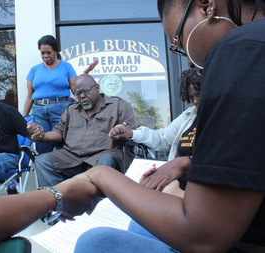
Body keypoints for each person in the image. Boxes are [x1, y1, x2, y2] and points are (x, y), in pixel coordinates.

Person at [58, 1, 265, 252]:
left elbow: (204, 236)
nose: (188, 60)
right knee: (138, 226)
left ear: (206, 5)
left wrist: (100, 177)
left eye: (177, 41)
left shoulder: (239, 50)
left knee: (94, 243)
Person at [29, 74, 135, 187]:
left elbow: (131, 132)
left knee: (105, 163)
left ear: (97, 88)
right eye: (78, 94)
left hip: (102, 156)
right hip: (72, 158)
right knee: (42, 161)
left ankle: (97, 203)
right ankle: (59, 202)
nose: (82, 96)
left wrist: (121, 131)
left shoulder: (118, 106)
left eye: (86, 91)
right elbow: (59, 132)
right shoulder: (71, 110)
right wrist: (42, 136)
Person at [110, 68, 201, 194]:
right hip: (179, 186)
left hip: (201, 193)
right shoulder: (189, 116)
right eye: (191, 97)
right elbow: (163, 137)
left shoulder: (222, 119)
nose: (195, 101)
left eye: (199, 94)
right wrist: (131, 133)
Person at [23, 35, 97, 154]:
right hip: (39, 111)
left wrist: (85, 74)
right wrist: (24, 118)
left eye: (49, 52)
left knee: (62, 143)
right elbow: (29, 96)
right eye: (42, 53)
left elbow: (75, 90)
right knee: (42, 145)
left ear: (56, 51)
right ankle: (45, 170)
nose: (45, 56)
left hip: (61, 109)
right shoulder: (34, 70)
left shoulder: (66, 67)